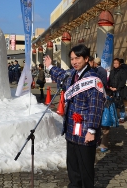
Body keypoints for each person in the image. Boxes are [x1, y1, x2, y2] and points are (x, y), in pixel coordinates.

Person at [44, 44, 105, 188]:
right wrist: (49, 67)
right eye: (72, 59)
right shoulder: (72, 74)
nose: (74, 61)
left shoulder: (93, 79)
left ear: (86, 58)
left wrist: (92, 130)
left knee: (85, 168)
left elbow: (95, 107)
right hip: (71, 130)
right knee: (72, 166)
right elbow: (60, 74)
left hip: (85, 132)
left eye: (77, 58)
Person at [108, 58, 127, 123]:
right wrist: (110, 87)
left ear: (119, 64)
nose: (115, 64)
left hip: (120, 90)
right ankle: (115, 117)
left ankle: (122, 117)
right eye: (114, 63)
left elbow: (123, 81)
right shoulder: (112, 71)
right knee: (114, 104)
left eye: (116, 63)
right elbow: (110, 80)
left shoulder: (122, 71)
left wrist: (117, 88)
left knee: (121, 104)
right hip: (112, 90)